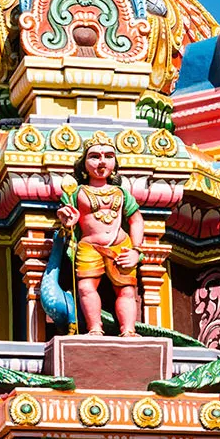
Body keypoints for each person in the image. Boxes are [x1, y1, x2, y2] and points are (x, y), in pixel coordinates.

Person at [55, 137, 145, 336]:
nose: (102, 161)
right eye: (95, 156)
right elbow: (66, 216)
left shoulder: (121, 193)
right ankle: (95, 328)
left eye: (108, 156)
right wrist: (66, 219)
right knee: (86, 287)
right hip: (89, 247)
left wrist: (136, 250)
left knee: (126, 290)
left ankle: (128, 330)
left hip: (121, 245)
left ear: (114, 164)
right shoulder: (76, 192)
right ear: (84, 165)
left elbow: (136, 220)